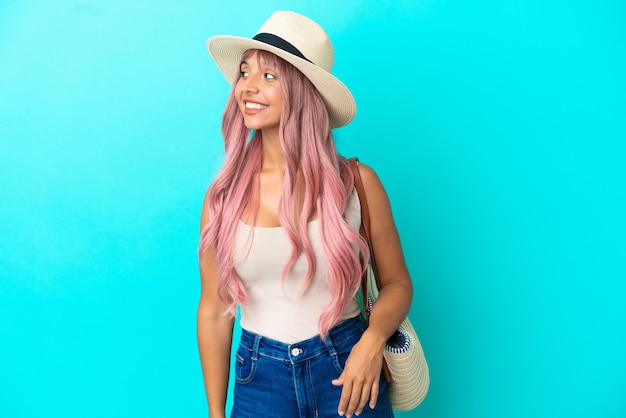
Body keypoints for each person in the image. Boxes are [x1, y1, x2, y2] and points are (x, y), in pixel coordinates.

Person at [197, 11, 413, 418]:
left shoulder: (357, 182)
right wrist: (214, 413)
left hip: (347, 368)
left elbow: (398, 283)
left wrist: (371, 342)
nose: (247, 87)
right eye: (244, 72)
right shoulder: (221, 198)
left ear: (302, 89)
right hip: (259, 380)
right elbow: (213, 309)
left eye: (269, 76)